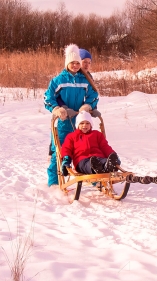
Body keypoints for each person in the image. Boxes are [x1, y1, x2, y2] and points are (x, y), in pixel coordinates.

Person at [43, 44, 99, 186]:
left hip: (80, 121)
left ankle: (93, 178)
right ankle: (54, 184)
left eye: (77, 63)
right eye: (72, 63)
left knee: (87, 149)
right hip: (63, 122)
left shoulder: (84, 80)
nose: (75, 66)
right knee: (60, 152)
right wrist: (57, 109)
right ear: (67, 63)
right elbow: (48, 98)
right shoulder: (58, 80)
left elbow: (94, 95)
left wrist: (87, 106)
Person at [60, 111, 120, 175]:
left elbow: (105, 146)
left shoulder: (97, 134)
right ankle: (96, 168)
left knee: (104, 161)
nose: (84, 125)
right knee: (88, 165)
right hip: (81, 160)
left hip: (98, 157)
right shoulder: (72, 136)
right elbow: (67, 148)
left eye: (87, 123)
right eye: (82, 123)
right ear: (77, 125)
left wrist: (113, 155)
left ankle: (109, 166)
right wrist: (66, 160)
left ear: (91, 125)